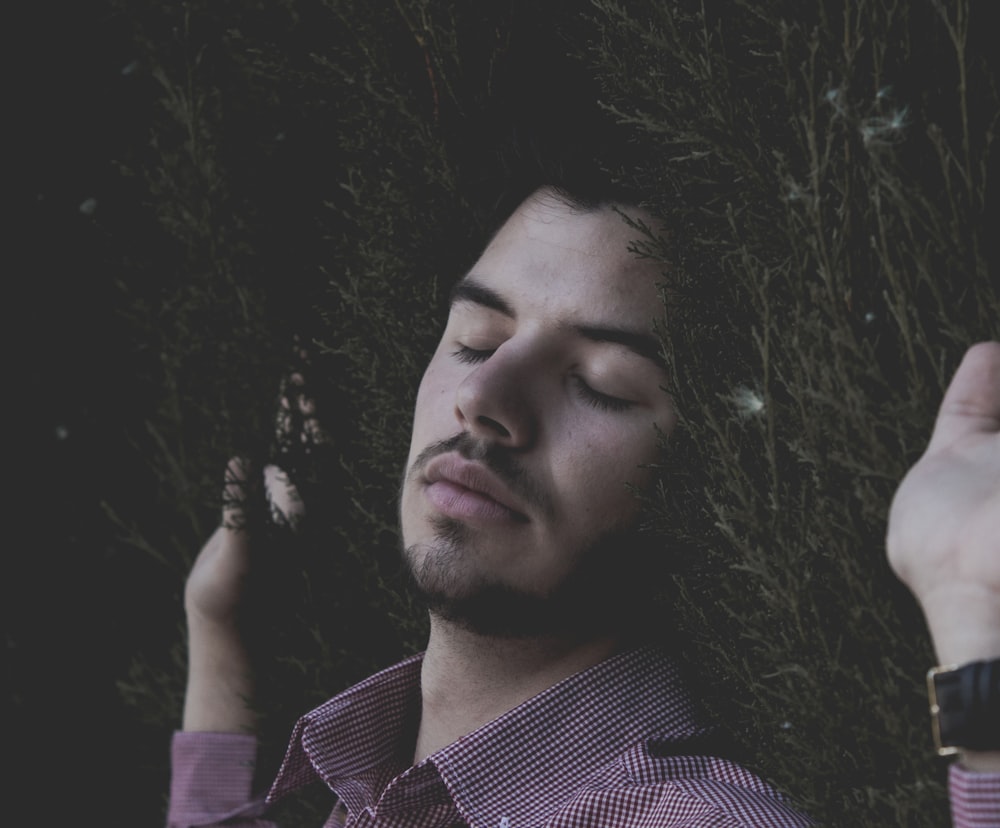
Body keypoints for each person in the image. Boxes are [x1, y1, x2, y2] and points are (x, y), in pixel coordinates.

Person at [167, 185, 1000, 827]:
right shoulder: (379, 783)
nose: (484, 397)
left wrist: (977, 630)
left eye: (599, 385)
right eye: (476, 341)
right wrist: (218, 626)